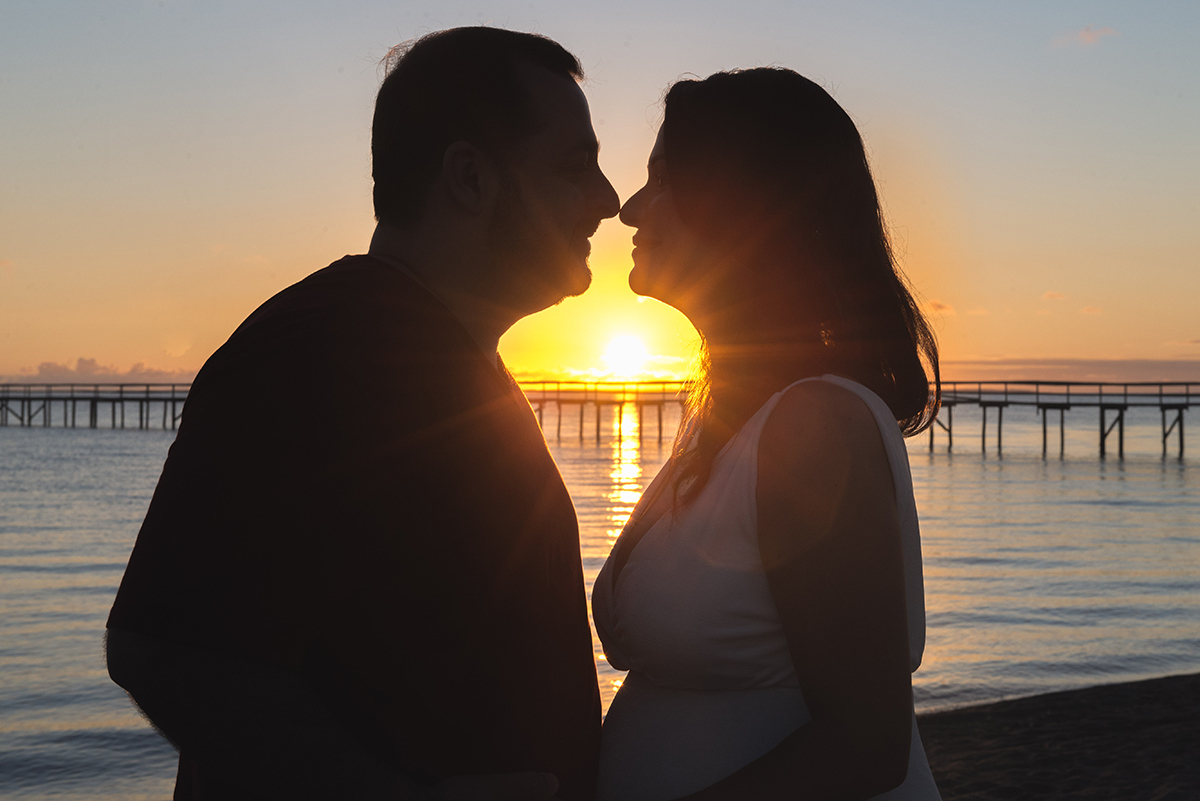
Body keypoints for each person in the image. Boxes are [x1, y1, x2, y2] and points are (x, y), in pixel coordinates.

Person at [105, 27, 619, 800]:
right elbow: (164, 644)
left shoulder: (448, 354)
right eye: (575, 167)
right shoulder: (322, 350)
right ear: (471, 178)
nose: (608, 200)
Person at [592, 67, 943, 801]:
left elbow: (866, 745)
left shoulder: (814, 426)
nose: (630, 208)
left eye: (662, 179)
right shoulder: (726, 419)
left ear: (736, 205)